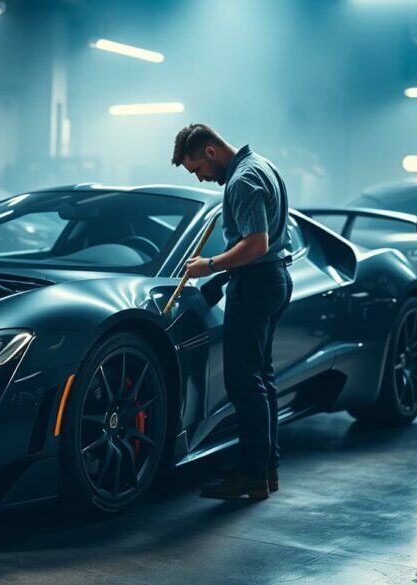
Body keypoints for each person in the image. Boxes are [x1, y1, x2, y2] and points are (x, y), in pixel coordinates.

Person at [171, 123, 292, 500]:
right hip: (274, 279)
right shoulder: (261, 164)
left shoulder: (242, 180)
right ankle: (266, 469)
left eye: (197, 170)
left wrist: (208, 265)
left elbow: (256, 244)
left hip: (256, 282)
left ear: (210, 152)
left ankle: (252, 475)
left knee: (244, 382)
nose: (202, 179)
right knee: (261, 378)